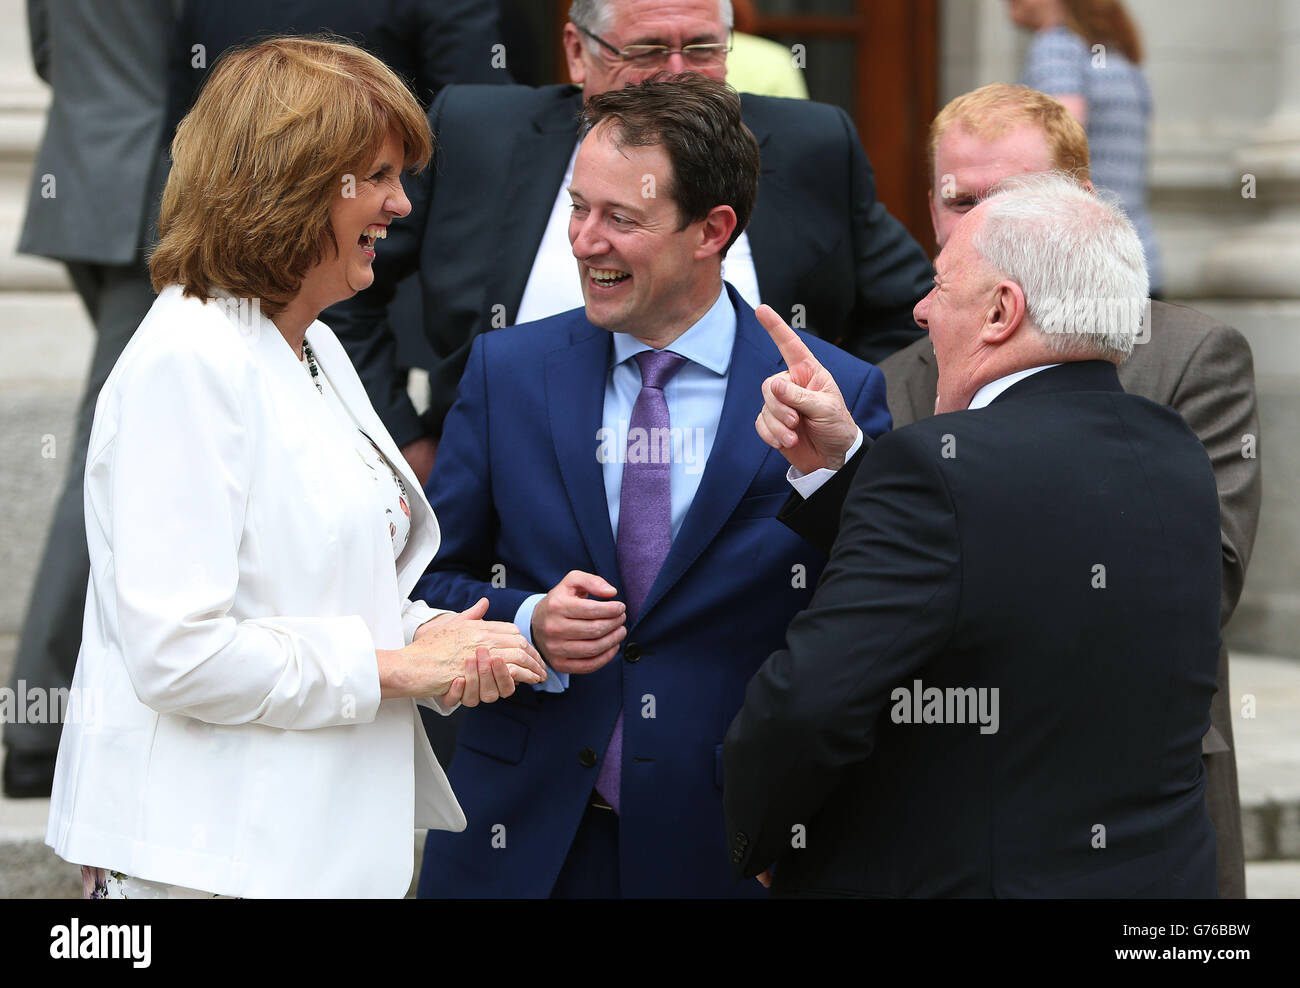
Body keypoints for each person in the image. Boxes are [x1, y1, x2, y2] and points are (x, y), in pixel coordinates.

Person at [45, 37, 545, 900]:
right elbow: (178, 654)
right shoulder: (189, 359)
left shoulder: (310, 342)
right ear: (294, 183)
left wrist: (435, 635)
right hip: (206, 864)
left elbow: (317, 590)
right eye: (379, 176)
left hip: (307, 851)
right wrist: (398, 669)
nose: (401, 204)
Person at [413, 74, 892, 898]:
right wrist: (527, 621)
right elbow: (425, 583)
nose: (583, 242)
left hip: (730, 846)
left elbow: (873, 618)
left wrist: (837, 468)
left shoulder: (831, 393)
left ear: (713, 230)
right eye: (577, 208)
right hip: (517, 843)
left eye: (621, 219)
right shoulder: (507, 371)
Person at [724, 172, 1222, 897]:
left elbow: (807, 705)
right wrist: (844, 468)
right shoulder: (1177, 453)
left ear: (1000, 312)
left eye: (939, 286)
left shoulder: (935, 467)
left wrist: (766, 835)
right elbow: (1005, 571)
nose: (921, 311)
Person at [877, 82, 1260, 897]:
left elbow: (1208, 581)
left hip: (1140, 807)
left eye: (1011, 196)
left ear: (1083, 203)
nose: (979, 222)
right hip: (942, 805)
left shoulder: (1188, 357)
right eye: (958, 200)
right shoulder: (887, 380)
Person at [325, 0, 932, 486]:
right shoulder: (475, 132)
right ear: (577, 51)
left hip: (753, 526)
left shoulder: (811, 144)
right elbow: (338, 282)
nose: (677, 71)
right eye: (647, 49)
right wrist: (401, 440)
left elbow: (916, 315)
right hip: (508, 513)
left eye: (702, 48)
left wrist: (847, 422)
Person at [5, 0, 173, 798]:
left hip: (85, 185)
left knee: (129, 440)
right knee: (108, 447)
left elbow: (48, 52)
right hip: (159, 204)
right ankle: (38, 724)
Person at [1009, 0, 1163, 295]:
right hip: (1139, 260)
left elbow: (1060, 144)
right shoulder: (1120, 58)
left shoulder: (1055, 48)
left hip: (1083, 274)